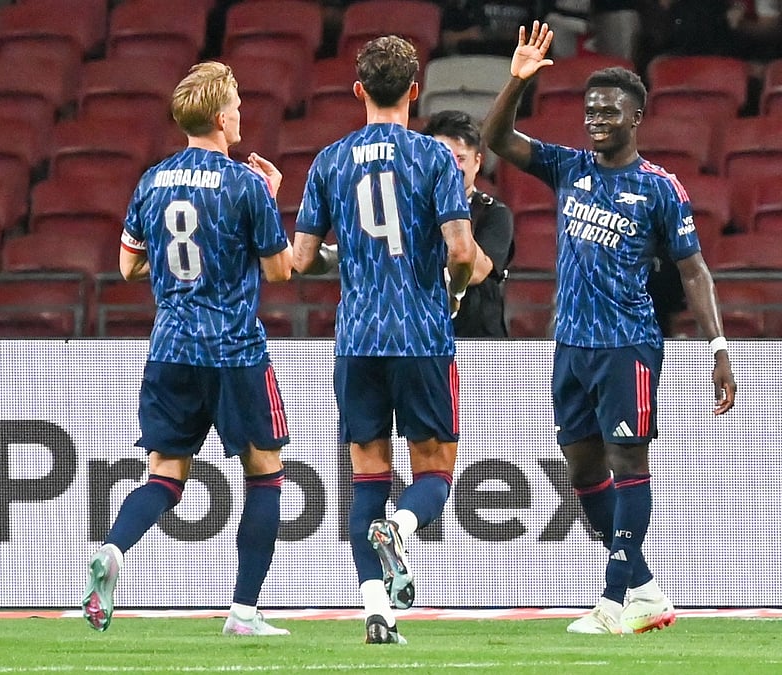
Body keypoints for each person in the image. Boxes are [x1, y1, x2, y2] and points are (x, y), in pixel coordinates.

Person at [481, 21, 736, 634]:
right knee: (582, 471)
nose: (595, 119)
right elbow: (496, 139)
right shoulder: (568, 167)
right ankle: (644, 588)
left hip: (627, 345)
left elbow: (694, 271)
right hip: (571, 344)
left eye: (608, 111)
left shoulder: (659, 189)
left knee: (627, 461)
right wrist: (516, 82)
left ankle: (613, 601)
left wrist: (718, 347)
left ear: (636, 117)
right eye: (590, 109)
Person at [80, 61, 295, 637]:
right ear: (222, 118)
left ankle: (114, 549)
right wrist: (269, 200)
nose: (242, 115)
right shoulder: (245, 184)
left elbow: (127, 266)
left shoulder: (152, 181)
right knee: (265, 475)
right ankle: (243, 613)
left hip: (170, 348)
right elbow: (279, 270)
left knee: (164, 476)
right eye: (238, 107)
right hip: (234, 351)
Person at [292, 36, 477, 644]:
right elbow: (460, 251)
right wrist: (452, 292)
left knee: (367, 478)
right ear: (415, 91)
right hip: (420, 334)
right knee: (435, 475)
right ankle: (402, 526)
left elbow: (302, 259)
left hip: (357, 339)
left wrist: (349, 255)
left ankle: (377, 611)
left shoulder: (329, 160)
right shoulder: (435, 157)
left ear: (358, 91)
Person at [423, 110, 514, 338]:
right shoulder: (413, 213)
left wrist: (451, 204)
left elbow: (475, 271)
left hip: (481, 345)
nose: (451, 168)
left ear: (477, 162)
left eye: (460, 159)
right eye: (442, 158)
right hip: (425, 340)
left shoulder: (495, 214)